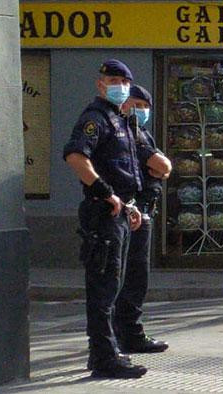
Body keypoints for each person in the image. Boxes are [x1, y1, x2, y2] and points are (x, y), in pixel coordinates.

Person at [63, 59, 148, 378]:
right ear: (100, 84)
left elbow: (127, 169)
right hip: (102, 213)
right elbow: (75, 156)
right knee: (102, 287)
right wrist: (105, 192)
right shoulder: (95, 118)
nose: (119, 85)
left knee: (114, 285)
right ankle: (102, 357)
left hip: (120, 212)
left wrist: (130, 204)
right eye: (113, 79)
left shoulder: (121, 119)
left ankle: (108, 351)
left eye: (123, 81)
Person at [114, 84, 172, 356]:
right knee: (131, 277)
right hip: (132, 212)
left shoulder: (141, 132)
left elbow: (163, 168)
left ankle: (127, 333)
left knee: (137, 277)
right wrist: (159, 167)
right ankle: (126, 335)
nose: (139, 110)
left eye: (144, 106)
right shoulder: (126, 131)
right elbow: (161, 167)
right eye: (134, 104)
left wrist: (160, 166)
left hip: (143, 209)